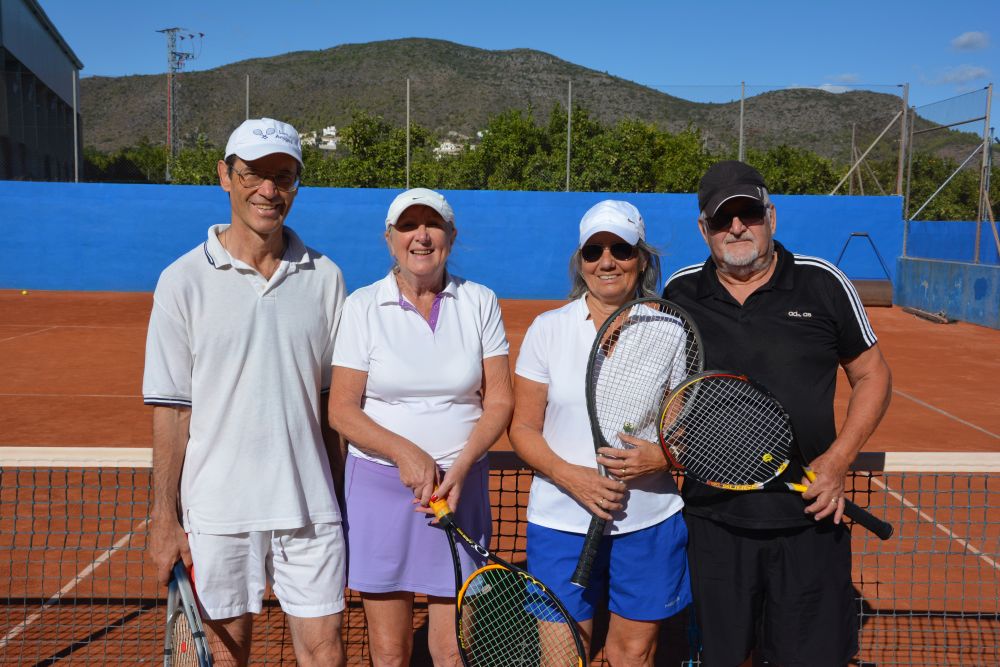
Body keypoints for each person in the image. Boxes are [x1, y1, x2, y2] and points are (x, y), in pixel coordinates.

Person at [662, 160, 892, 667]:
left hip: (809, 520)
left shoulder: (822, 282)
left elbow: (873, 375)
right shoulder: (679, 292)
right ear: (703, 229)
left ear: (771, 216)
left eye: (748, 213)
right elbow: (666, 387)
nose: (736, 227)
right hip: (712, 522)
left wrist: (838, 461)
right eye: (721, 219)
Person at [143, 117, 348, 666]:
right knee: (226, 653)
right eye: (253, 174)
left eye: (283, 177)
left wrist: (341, 497)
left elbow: (331, 404)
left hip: (310, 509)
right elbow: (172, 411)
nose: (268, 190)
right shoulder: (182, 281)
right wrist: (164, 518)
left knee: (325, 650)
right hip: (218, 512)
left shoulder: (326, 277)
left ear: (295, 186)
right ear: (225, 176)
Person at [327, 187, 514, 666]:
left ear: (451, 235)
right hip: (379, 488)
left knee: (452, 652)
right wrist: (404, 453)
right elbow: (342, 410)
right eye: (409, 226)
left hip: (459, 489)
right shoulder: (362, 306)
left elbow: (499, 400)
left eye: (433, 225)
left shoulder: (480, 301)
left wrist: (462, 467)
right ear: (390, 239)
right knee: (390, 651)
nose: (422, 236)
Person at [509, 200, 692, 665]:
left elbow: (680, 433)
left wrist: (661, 457)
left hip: (648, 520)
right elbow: (523, 428)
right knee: (562, 656)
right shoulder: (548, 329)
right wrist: (571, 477)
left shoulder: (670, 330)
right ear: (581, 261)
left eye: (621, 250)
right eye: (594, 251)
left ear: (642, 259)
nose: (607, 261)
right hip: (560, 522)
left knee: (633, 653)